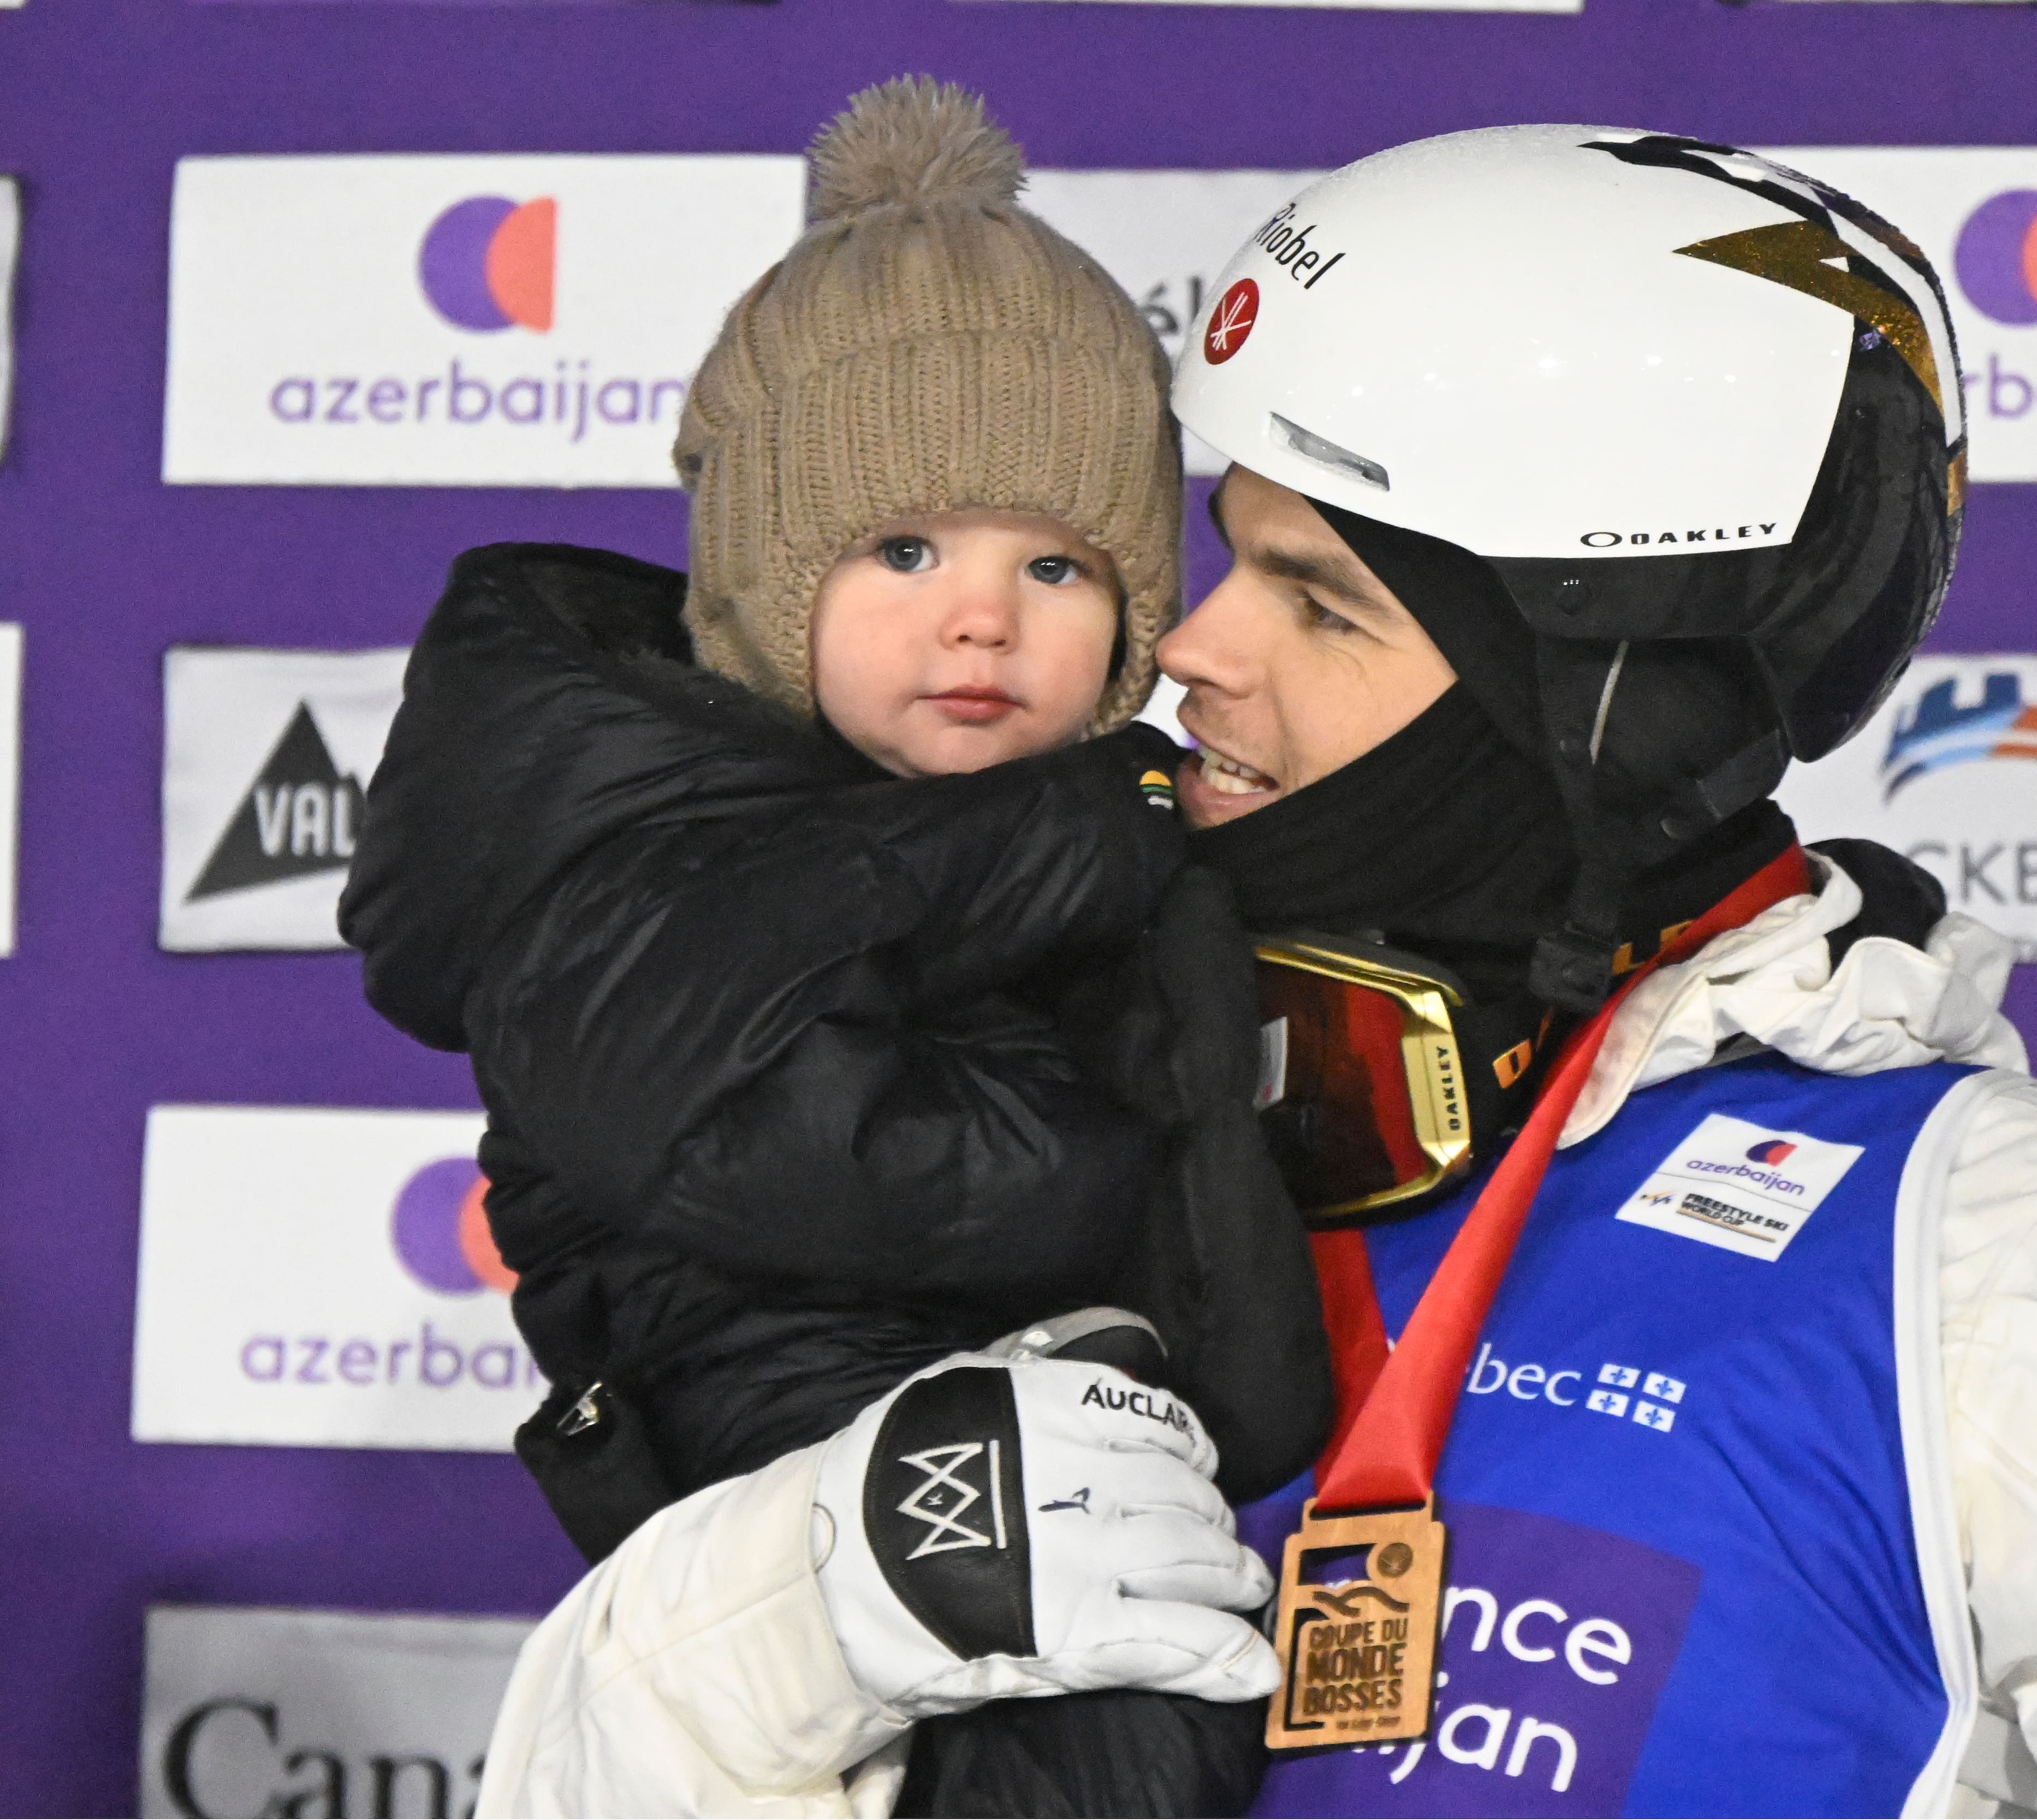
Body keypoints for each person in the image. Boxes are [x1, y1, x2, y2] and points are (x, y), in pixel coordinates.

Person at [440, 127, 2037, 1818]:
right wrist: (817, 1603)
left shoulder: (1985, 1251)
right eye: (1220, 559)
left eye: (1319, 604)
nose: (1183, 653)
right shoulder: (1019, 1087)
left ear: (1588, 711)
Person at [340, 77, 1328, 1816]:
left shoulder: (1115, 820)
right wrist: (1135, 1146)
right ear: (762, 581)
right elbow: (771, 1148)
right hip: (809, 1530)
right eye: (903, 549)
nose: (981, 615)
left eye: (1061, 569)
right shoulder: (635, 829)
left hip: (1075, 1512)